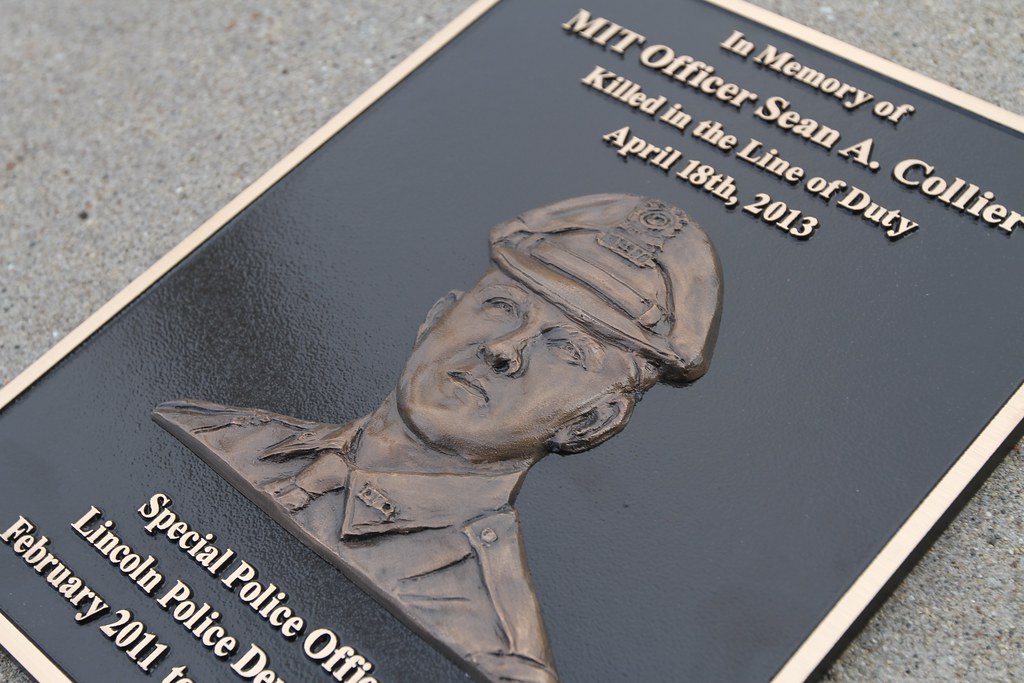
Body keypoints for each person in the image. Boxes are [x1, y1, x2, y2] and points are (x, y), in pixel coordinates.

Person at [153, 193, 723, 683]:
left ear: (591, 421)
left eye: (566, 348)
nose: (504, 349)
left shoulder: (492, 642)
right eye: (502, 307)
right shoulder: (212, 432)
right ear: (436, 316)